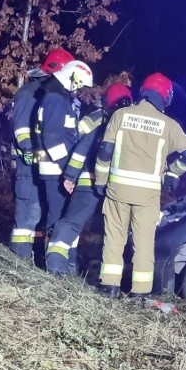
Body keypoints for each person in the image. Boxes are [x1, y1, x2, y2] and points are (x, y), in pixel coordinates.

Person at [94, 73, 186, 298]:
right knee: (142, 244)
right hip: (148, 195)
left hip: (117, 191)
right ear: (165, 96)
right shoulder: (168, 125)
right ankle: (140, 293)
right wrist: (173, 173)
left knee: (114, 239)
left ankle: (109, 288)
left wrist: (101, 182)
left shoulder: (121, 115)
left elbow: (105, 152)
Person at [45, 83, 133, 276]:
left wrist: (69, 175)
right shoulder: (134, 128)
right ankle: (110, 283)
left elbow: (80, 148)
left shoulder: (100, 122)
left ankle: (58, 264)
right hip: (121, 188)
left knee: (71, 223)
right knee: (114, 234)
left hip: (89, 182)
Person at [8, 48, 74, 259]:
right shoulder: (29, 92)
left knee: (45, 216)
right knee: (28, 217)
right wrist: (29, 150)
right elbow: (21, 129)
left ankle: (40, 262)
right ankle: (19, 263)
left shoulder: (53, 95)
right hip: (29, 166)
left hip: (47, 169)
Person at [34, 60, 94, 234]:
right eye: (80, 86)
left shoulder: (56, 98)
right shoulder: (57, 99)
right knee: (57, 218)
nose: (79, 91)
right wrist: (68, 170)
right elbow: (52, 139)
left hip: (54, 169)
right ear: (73, 78)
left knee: (56, 216)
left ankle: (50, 257)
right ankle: (52, 259)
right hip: (56, 170)